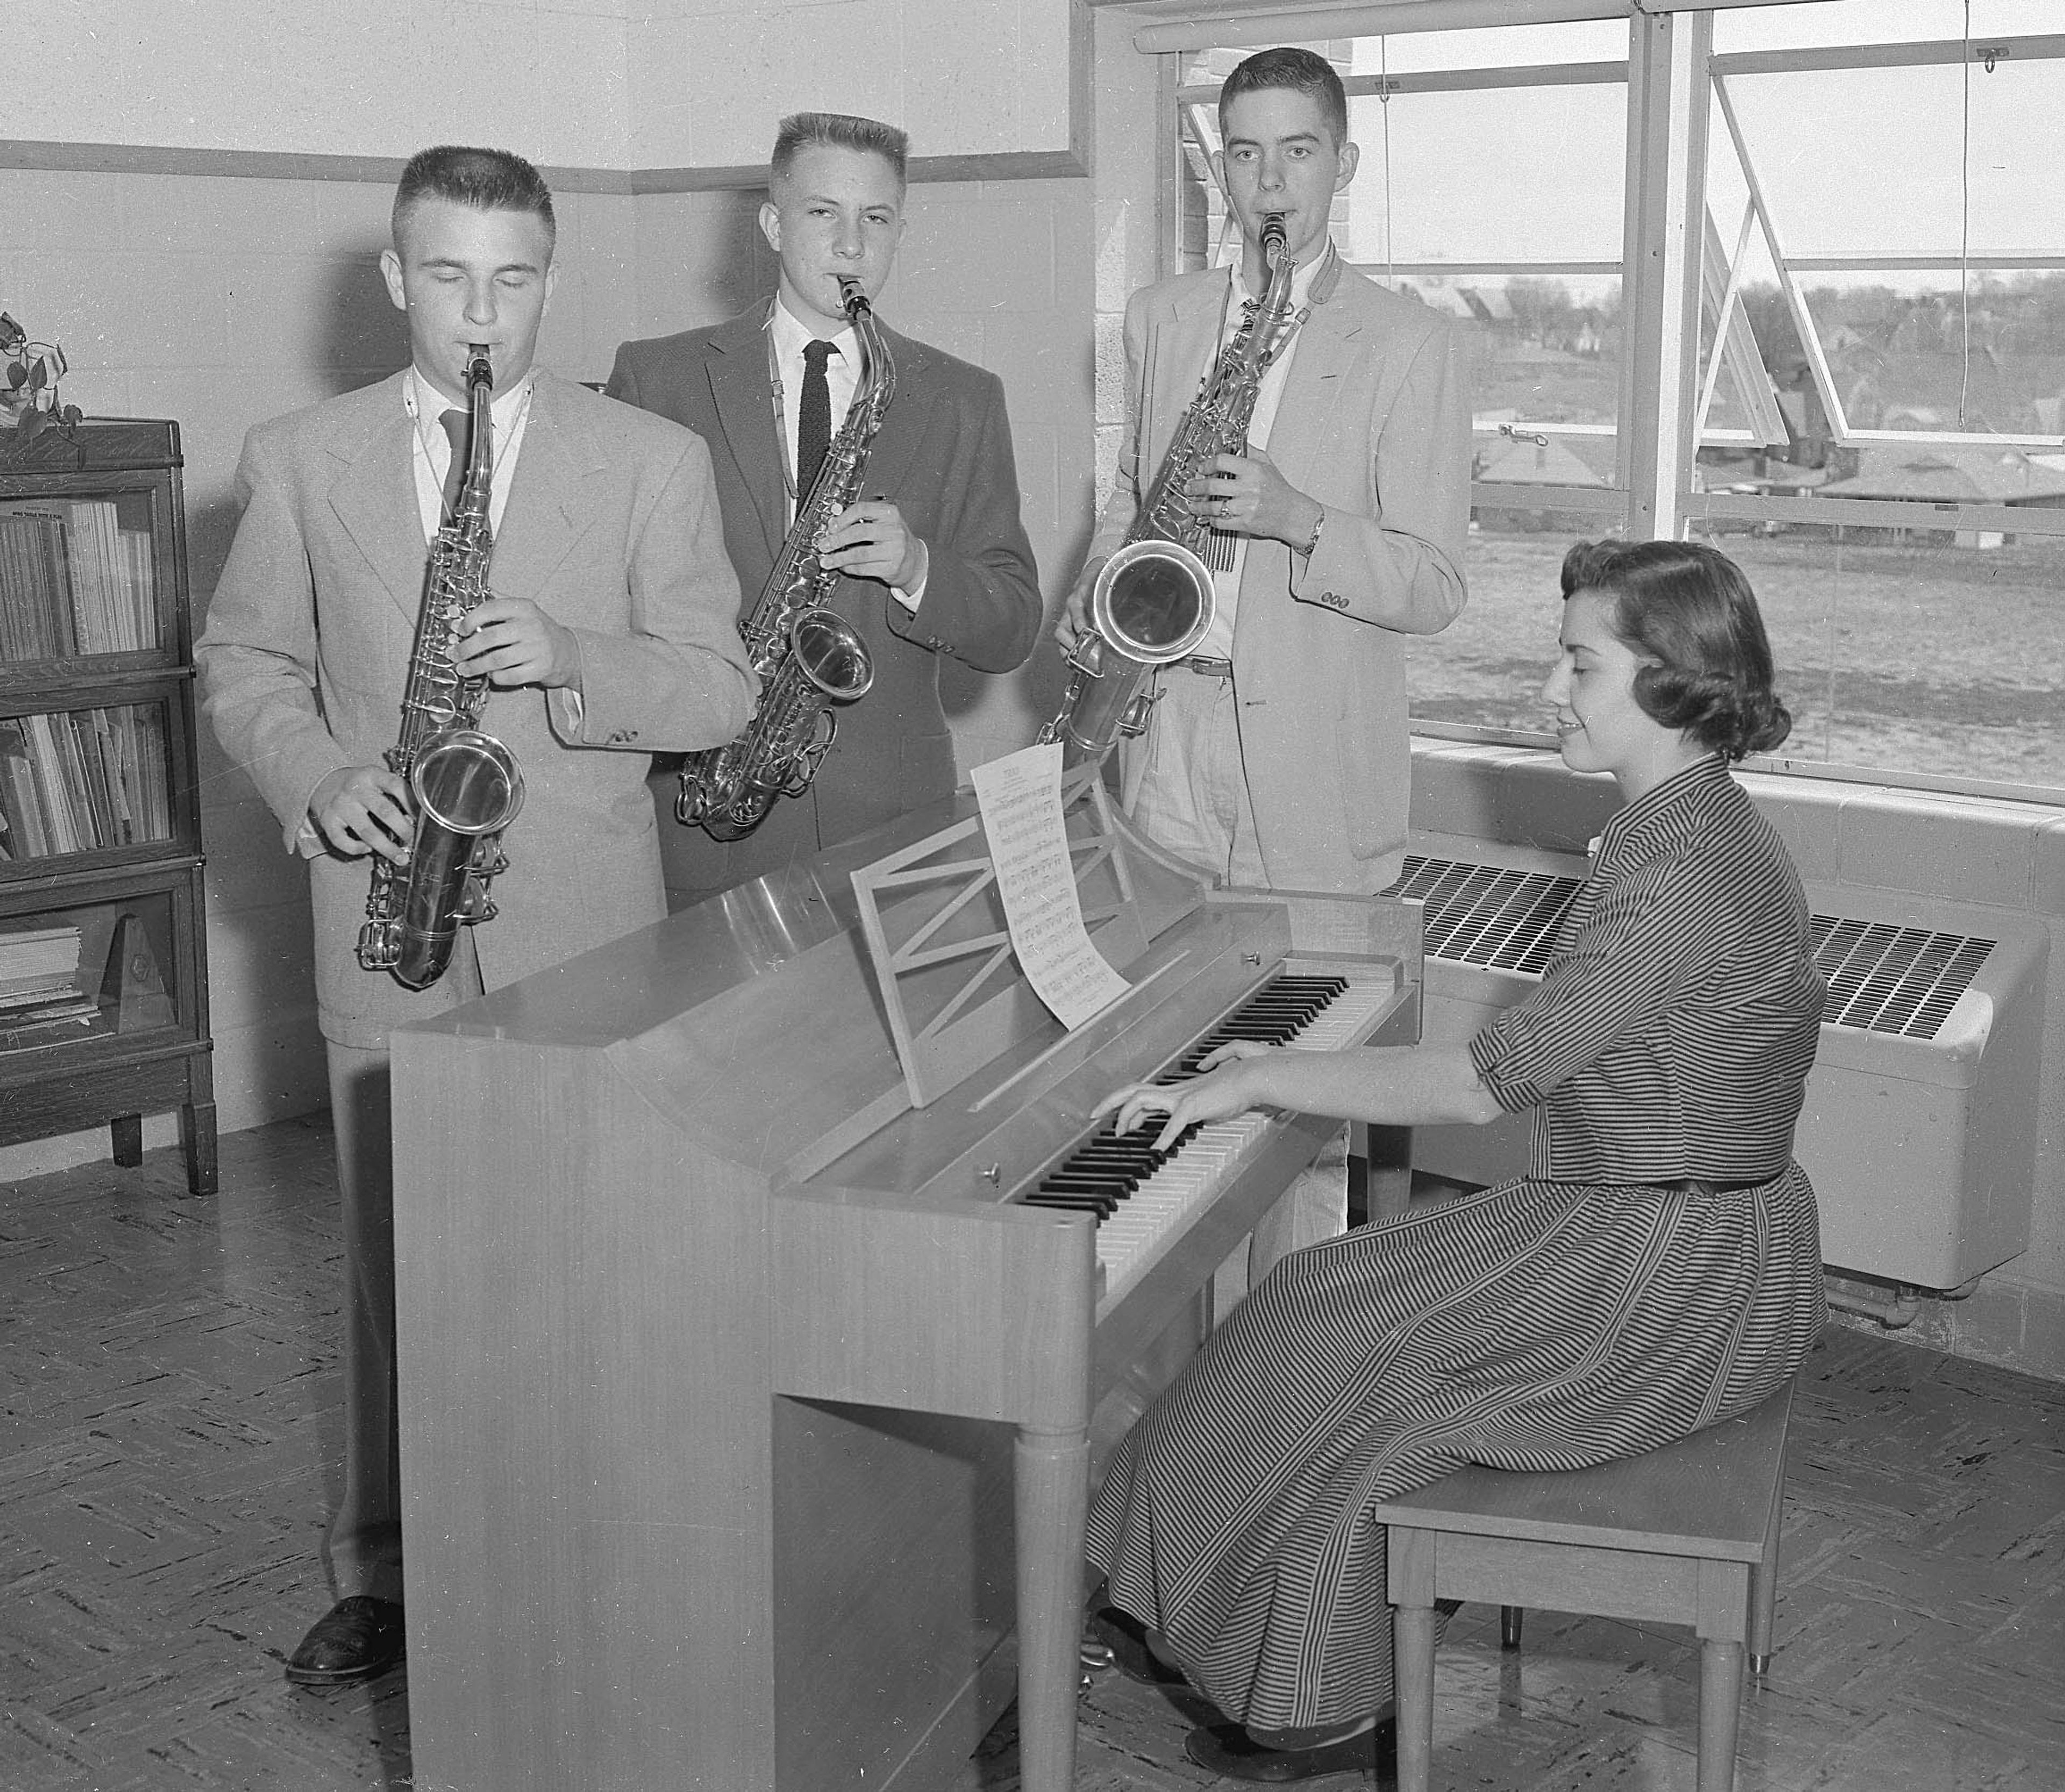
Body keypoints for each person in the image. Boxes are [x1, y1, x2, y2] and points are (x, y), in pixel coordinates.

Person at [1084, 538, 1828, 1783]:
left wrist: (1254, 1078)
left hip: (1664, 1275)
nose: (1548, 688)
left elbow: (1487, 1083)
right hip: (1681, 1229)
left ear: (1672, 681)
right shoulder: (1687, 827)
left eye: (1578, 663)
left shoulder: (1678, 870)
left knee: (1364, 1366)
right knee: (1319, 1299)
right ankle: (1191, 1617)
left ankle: (1297, 1684)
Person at [196, 145, 757, 1687]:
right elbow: (244, 662)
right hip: (386, 912)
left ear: (549, 282)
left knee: (591, 1269)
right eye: (447, 275)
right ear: (395, 280)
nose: (479, 311)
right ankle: (386, 1574)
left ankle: (592, 1549)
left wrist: (576, 649)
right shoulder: (300, 456)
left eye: (512, 277)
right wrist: (316, 777)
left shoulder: (649, 460)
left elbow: (719, 686)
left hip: (585, 929)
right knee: (392, 1272)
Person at [1060, 45, 1472, 1285]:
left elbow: (1436, 586)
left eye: (1298, 151)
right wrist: (1089, 609)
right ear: (1217, 169)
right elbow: (1126, 503)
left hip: (1309, 769)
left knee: (1306, 1110)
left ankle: (1289, 1389)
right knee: (1169, 1059)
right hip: (1166, 744)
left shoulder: (1412, 343)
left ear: (1341, 166)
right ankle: (1172, 1375)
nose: (1269, 180)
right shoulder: (1160, 317)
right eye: (1244, 152)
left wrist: (1299, 519)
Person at [606, 111, 1043, 901]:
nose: (851, 246)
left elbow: (1012, 624)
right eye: (822, 213)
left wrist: (919, 567)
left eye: (875, 219)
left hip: (891, 825)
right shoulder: (656, 379)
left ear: (900, 229)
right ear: (773, 224)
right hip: (709, 816)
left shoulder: (964, 399)